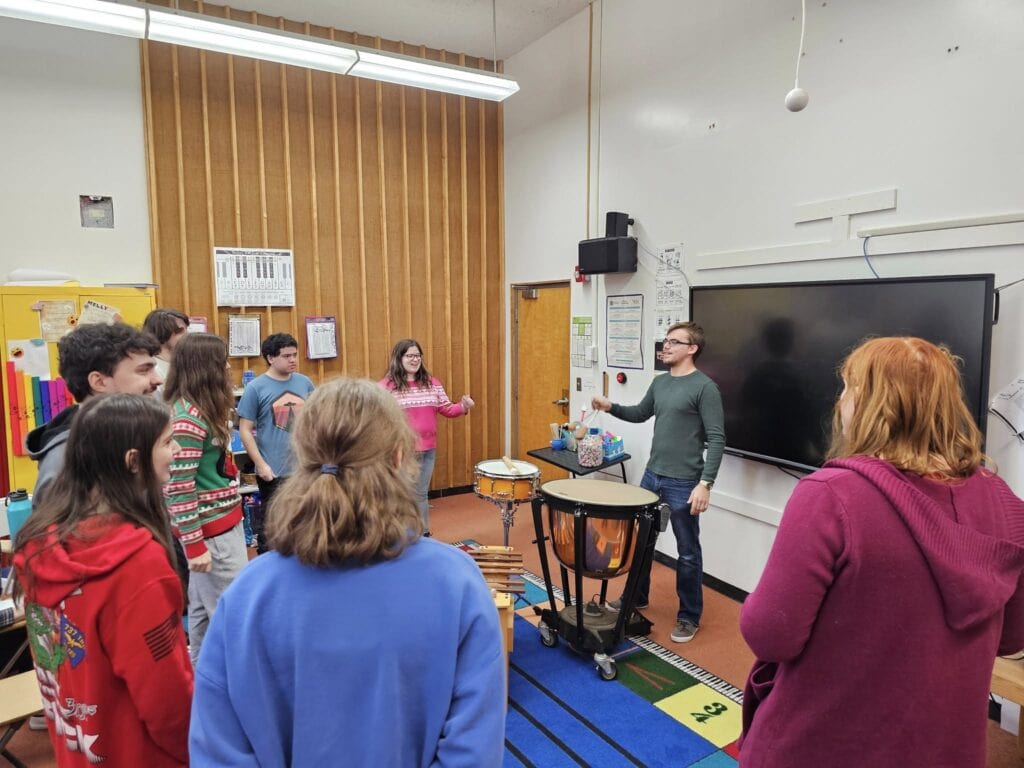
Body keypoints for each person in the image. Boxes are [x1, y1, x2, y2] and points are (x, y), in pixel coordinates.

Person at [189, 378, 506, 766]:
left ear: (301, 459)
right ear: (398, 459)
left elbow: (218, 749)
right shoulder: (457, 582)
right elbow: (474, 751)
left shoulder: (248, 595)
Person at [738, 337, 1024, 768]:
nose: (840, 402)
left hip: (824, 745)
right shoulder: (1005, 501)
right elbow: (1012, 638)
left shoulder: (831, 494)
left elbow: (771, 634)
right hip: (946, 750)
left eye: (848, 389)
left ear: (874, 404)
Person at [13, 394, 192, 767]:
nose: (176, 451)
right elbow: (167, 701)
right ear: (132, 461)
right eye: (166, 441)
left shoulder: (37, 543)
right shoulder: (138, 566)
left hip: (78, 749)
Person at [591, 321, 725, 644]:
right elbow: (640, 413)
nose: (665, 346)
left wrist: (705, 483)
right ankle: (637, 596)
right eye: (665, 341)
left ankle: (689, 616)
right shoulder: (660, 383)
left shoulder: (705, 388)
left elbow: (717, 438)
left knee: (688, 552)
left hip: (685, 482)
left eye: (673, 342)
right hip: (653, 474)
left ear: (692, 348)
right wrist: (611, 406)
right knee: (641, 541)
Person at [163, 333, 246, 664]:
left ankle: (197, 681)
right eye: (221, 361)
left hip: (222, 525)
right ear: (203, 367)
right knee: (233, 613)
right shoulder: (187, 419)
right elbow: (178, 488)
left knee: (200, 612)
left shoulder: (199, 410)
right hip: (212, 536)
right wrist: (194, 544)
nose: (227, 367)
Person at [26, 321, 162, 502]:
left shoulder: (130, 432)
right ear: (98, 382)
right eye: (143, 371)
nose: (158, 380)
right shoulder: (67, 460)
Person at [379, 339, 473, 532]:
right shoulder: (386, 386)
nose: (414, 360)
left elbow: (447, 408)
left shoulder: (432, 383)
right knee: (402, 494)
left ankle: (423, 534)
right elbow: (376, 415)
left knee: (421, 494)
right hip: (400, 451)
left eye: (417, 355)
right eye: (409, 355)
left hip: (428, 449)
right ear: (399, 358)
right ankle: (400, 536)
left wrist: (463, 407)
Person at [237, 332, 315, 553]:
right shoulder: (256, 388)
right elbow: (245, 430)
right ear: (271, 358)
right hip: (274, 470)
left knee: (306, 522)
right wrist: (261, 464)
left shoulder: (305, 382)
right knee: (273, 528)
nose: (293, 360)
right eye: (286, 356)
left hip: (303, 467)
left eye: (294, 355)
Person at [143, 308, 190, 396]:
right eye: (179, 331)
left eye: (186, 330)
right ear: (162, 332)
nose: (187, 335)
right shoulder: (153, 367)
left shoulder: (183, 362)